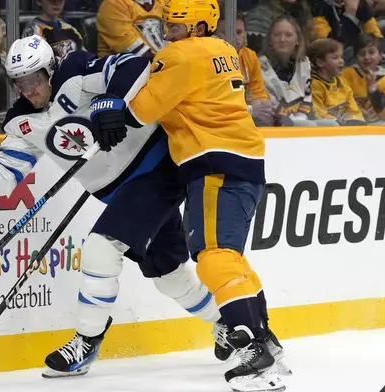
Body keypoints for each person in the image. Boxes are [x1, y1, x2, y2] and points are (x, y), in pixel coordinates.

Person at [0, 35, 221, 378]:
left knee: (100, 248)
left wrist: (111, 103)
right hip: (120, 195)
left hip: (158, 171)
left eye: (34, 79)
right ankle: (229, 323)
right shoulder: (22, 123)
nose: (28, 90)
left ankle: (86, 338)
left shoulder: (78, 74)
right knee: (169, 276)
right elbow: (6, 172)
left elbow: (134, 65)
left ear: (50, 71)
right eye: (19, 83)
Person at [94, 0, 290, 390]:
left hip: (212, 163)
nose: (169, 31)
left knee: (213, 259)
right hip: (247, 162)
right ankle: (264, 338)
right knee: (231, 260)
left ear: (199, 26)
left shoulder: (178, 56)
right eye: (168, 24)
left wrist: (112, 108)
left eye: (178, 25)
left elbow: (142, 110)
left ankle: (253, 349)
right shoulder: (225, 51)